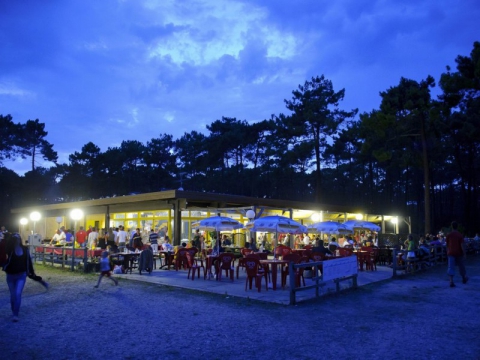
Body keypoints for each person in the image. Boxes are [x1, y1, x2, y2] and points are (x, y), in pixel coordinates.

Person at [3, 233, 48, 322]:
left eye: (19, 239)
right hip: (11, 275)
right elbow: (5, 249)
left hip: (21, 275)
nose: (18, 240)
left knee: (17, 293)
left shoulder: (25, 249)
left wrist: (31, 273)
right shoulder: (10, 249)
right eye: (16, 239)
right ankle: (14, 311)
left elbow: (29, 262)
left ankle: (16, 314)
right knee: (12, 295)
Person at [446, 221, 468, 288]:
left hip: (451, 252)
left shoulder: (449, 235)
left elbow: (447, 244)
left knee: (451, 267)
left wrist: (448, 251)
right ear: (457, 227)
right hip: (459, 253)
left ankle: (451, 281)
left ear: (451, 226)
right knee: (461, 266)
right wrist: (464, 253)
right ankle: (464, 278)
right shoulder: (459, 235)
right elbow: (462, 245)